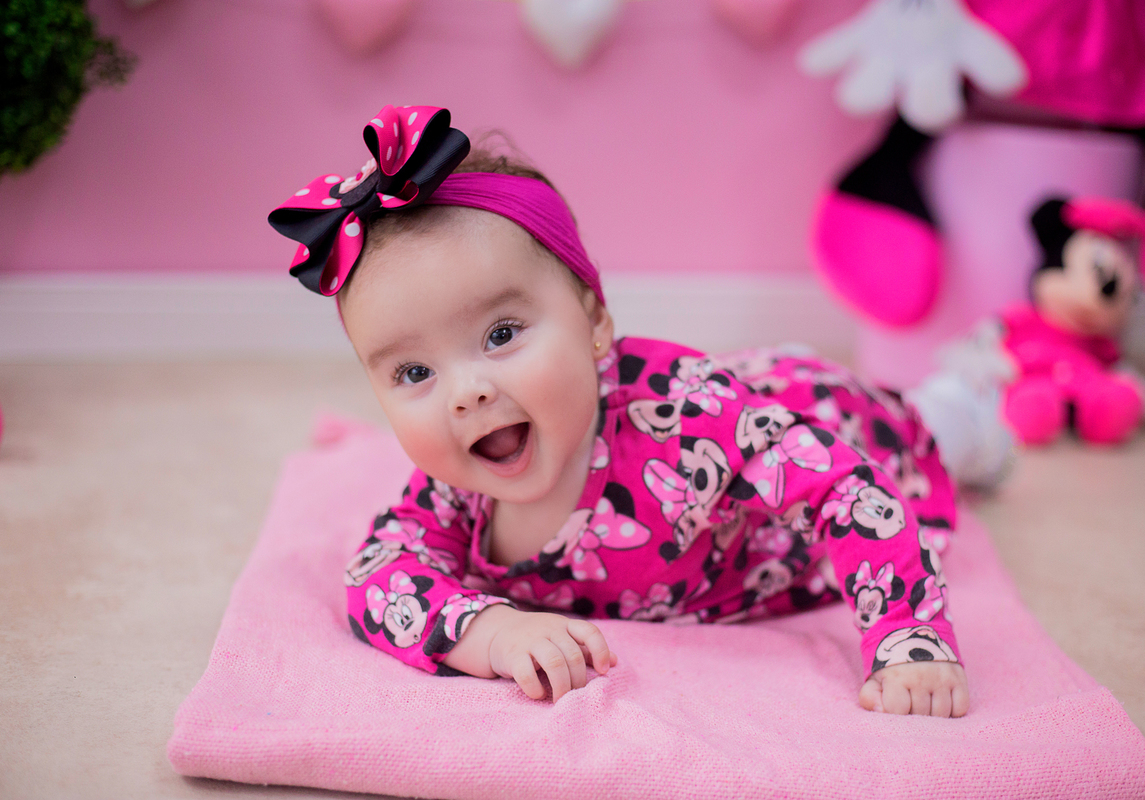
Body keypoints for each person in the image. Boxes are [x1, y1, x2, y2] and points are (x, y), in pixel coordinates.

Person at [268, 105, 969, 717]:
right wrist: (492, 633)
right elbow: (378, 578)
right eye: (415, 371)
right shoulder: (454, 487)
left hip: (835, 418)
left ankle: (962, 410)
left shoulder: (688, 420)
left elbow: (847, 489)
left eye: (502, 334)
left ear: (594, 320)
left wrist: (909, 638)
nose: (466, 392)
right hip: (741, 414)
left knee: (941, 431)